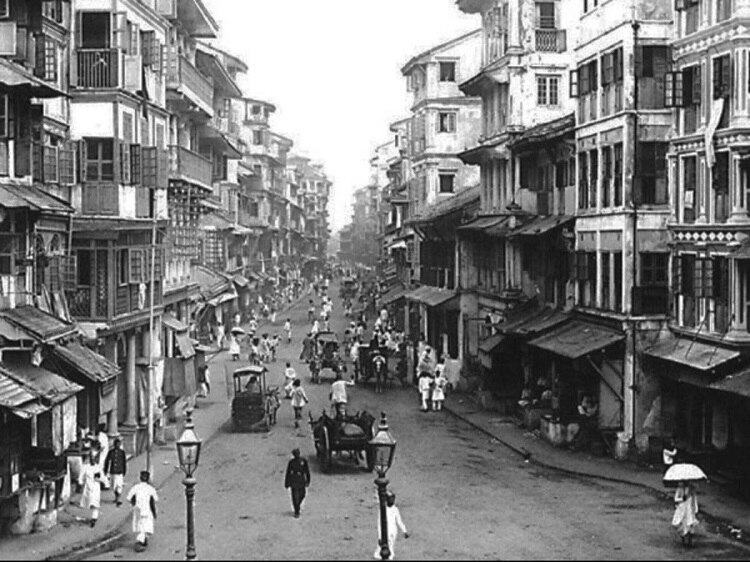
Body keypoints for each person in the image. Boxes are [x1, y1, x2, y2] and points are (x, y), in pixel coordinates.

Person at [127, 471, 158, 552]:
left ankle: (143, 540)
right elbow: (153, 501)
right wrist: (154, 512)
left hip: (138, 509)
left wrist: (134, 504)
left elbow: (129, 497)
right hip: (147, 510)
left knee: (139, 525)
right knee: (146, 526)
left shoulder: (136, 487)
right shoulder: (150, 488)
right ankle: (140, 542)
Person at [373, 491, 409, 560]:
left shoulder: (395, 509)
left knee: (391, 546)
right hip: (385, 531)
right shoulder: (383, 510)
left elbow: (399, 521)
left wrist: (404, 531)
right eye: (390, 499)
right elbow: (379, 523)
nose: (392, 500)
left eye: (393, 499)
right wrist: (380, 536)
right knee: (381, 547)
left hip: (393, 531)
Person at [284, 448, 311, 519]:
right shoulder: (291, 462)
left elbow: (307, 471)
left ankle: (298, 505)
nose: (297, 455)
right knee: (295, 495)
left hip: (301, 479)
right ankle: (296, 511)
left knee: (302, 494)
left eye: (298, 453)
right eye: (295, 453)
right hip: (294, 479)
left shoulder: (303, 461)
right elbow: (288, 473)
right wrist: (287, 483)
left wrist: (308, 480)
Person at [672, 481, 699, 547]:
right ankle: (684, 540)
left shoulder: (692, 490)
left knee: (690, 524)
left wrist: (695, 509)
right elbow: (676, 499)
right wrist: (682, 498)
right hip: (682, 509)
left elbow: (694, 499)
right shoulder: (680, 489)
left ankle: (690, 541)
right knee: (682, 524)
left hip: (690, 509)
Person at [80, 454, 102, 527]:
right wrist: (80, 482)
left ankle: (94, 518)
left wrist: (101, 480)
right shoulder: (86, 467)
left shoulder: (98, 467)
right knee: (90, 503)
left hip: (96, 488)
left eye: (94, 458)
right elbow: (81, 476)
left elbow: (102, 477)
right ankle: (94, 516)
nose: (93, 460)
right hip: (88, 487)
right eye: (91, 458)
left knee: (95, 503)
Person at [104, 438, 127, 506]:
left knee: (119, 485)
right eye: (116, 444)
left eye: (119, 444)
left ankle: (118, 498)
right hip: (113, 471)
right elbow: (107, 461)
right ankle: (116, 496)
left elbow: (124, 462)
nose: (118, 445)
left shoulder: (122, 452)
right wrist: (105, 470)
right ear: (114, 445)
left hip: (119, 472)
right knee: (113, 486)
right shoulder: (111, 452)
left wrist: (124, 470)